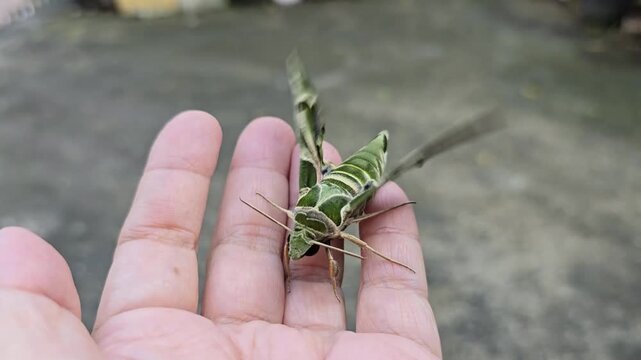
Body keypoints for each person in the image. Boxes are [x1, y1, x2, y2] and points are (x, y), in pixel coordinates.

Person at [0, 111, 441, 359]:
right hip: (324, 191)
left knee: (381, 196)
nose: (294, 245)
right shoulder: (299, 214)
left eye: (302, 236)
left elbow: (353, 237)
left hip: (356, 182)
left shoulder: (333, 224)